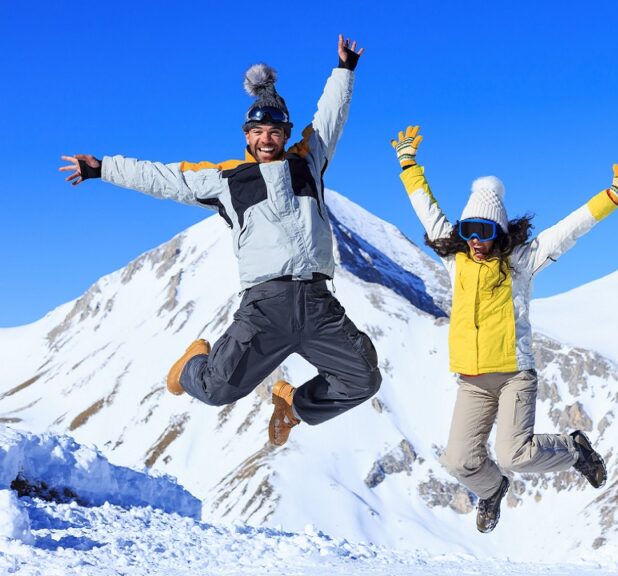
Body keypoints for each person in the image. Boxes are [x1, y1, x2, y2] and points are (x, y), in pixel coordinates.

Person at [59, 35, 381, 448]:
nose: (267, 139)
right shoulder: (228, 179)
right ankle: (194, 362)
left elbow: (330, 117)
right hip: (266, 306)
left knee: (363, 379)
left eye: (276, 131)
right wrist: (103, 168)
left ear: (285, 134)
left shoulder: (308, 163)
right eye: (259, 131)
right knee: (216, 390)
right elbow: (164, 179)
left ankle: (294, 408)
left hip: (319, 304)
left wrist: (344, 70)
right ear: (247, 136)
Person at [389, 125, 618, 533]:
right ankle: (492, 491)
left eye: (486, 231)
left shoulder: (520, 265)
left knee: (514, 455)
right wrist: (408, 164)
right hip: (472, 381)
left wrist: (612, 196)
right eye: (470, 230)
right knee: (459, 461)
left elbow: (567, 231)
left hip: (514, 375)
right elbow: (426, 207)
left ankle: (574, 450)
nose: (476, 240)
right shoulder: (455, 261)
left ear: (499, 232)